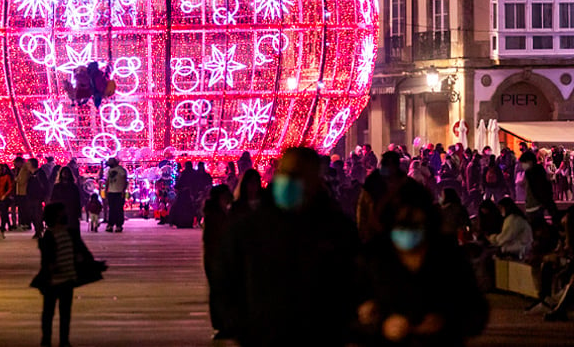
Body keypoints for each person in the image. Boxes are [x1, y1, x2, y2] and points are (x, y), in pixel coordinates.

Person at [218, 147, 361, 346]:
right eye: (287, 174)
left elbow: (354, 284)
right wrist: (244, 329)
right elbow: (227, 282)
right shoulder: (249, 228)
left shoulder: (337, 231)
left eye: (299, 175)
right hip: (265, 335)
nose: (291, 182)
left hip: (320, 334)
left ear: (315, 179)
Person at [355, 180, 489, 346]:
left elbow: (476, 312)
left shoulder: (447, 256)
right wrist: (380, 325)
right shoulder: (374, 258)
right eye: (402, 223)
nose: (407, 231)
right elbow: (349, 317)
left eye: (415, 224)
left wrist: (446, 321)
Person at [32, 202, 102, 347]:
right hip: (53, 281)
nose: (65, 216)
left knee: (64, 313)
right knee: (49, 312)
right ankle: (47, 340)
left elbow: (83, 253)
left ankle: (63, 340)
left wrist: (93, 264)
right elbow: (47, 259)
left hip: (67, 280)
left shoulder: (70, 233)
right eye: (61, 213)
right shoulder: (49, 237)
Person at [202, 184, 235, 340]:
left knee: (219, 291)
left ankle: (223, 323)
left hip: (216, 257)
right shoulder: (216, 216)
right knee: (219, 291)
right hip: (217, 257)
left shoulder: (217, 213)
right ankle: (222, 324)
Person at [48, 166, 82, 237]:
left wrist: (78, 212)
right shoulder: (57, 186)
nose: (65, 174)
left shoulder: (73, 186)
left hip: (71, 211)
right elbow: (53, 199)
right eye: (64, 172)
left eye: (67, 172)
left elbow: (77, 200)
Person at [0, 163, 15, 238]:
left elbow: (10, 187)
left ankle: (2, 230)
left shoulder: (6, 177)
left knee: (4, 214)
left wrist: (5, 195)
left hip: (3, 198)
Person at [104, 157, 128, 232]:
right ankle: (110, 224)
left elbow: (125, 180)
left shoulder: (121, 170)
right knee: (111, 209)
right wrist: (106, 190)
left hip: (119, 192)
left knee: (118, 209)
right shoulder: (109, 170)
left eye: (110, 161)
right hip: (111, 192)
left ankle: (118, 225)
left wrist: (123, 190)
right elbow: (108, 180)